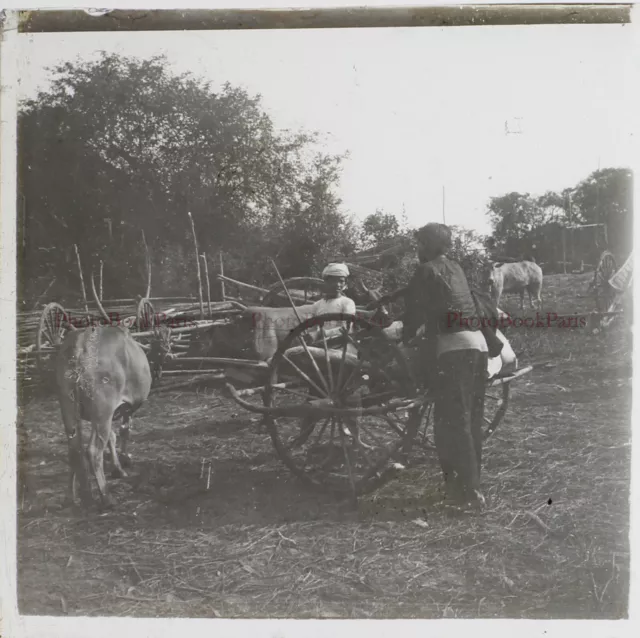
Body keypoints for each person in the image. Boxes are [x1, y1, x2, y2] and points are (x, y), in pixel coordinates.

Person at [403, 223, 488, 509]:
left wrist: (406, 337)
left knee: (451, 423)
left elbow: (413, 311)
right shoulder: (456, 267)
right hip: (478, 346)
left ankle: (468, 494)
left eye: (419, 244)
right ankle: (468, 486)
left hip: (453, 351)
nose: (417, 249)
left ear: (427, 245)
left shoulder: (425, 270)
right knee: (470, 418)